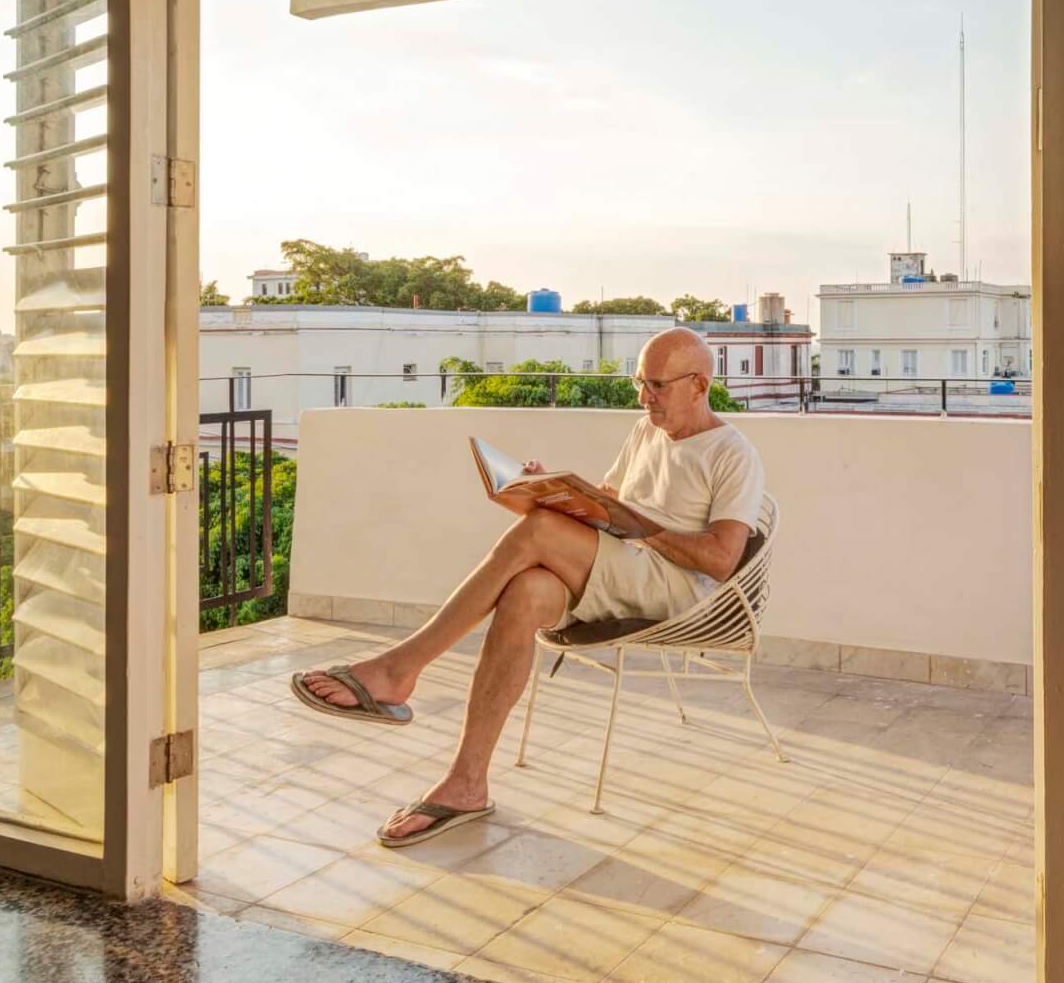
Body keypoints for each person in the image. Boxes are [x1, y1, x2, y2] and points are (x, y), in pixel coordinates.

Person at [290, 328, 767, 846]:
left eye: (656, 385)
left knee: (537, 532)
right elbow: (612, 499)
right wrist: (556, 491)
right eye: (639, 383)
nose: (643, 396)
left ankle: (399, 668)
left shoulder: (732, 453)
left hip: (671, 591)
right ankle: (467, 783)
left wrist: (635, 524)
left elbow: (721, 561)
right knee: (526, 592)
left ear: (698, 384)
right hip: (619, 568)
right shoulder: (645, 430)